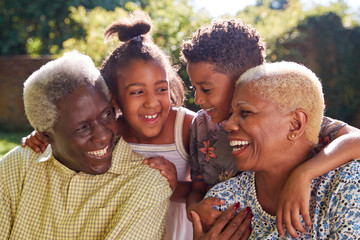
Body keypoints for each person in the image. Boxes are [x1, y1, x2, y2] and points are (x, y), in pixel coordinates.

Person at [21, 11, 196, 240]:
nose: (152, 102)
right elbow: (72, 138)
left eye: (161, 89)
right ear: (113, 98)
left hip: (180, 230)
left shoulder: (186, 127)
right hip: (127, 226)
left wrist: (176, 185)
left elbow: (209, 186)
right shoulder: (110, 132)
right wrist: (43, 135)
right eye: (137, 92)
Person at [181, 18, 360, 237]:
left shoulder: (293, 119)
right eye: (194, 87)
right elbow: (196, 188)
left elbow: (356, 140)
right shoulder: (201, 126)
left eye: (206, 89)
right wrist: (195, 213)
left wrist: (303, 174)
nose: (197, 99)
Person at [1, 51, 172, 239]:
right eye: (82, 127)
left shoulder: (148, 185)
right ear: (46, 135)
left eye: (106, 114)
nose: (102, 136)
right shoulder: (14, 168)